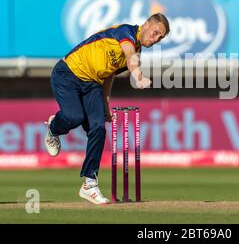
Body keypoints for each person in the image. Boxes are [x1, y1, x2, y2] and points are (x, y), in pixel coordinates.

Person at [44, 13, 170, 205]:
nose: (155, 39)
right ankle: (54, 127)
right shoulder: (125, 31)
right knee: (74, 117)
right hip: (67, 73)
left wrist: (105, 105)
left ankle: (89, 183)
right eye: (155, 33)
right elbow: (130, 58)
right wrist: (139, 76)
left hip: (93, 84)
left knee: (98, 128)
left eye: (160, 38)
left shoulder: (137, 50)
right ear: (145, 25)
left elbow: (109, 75)